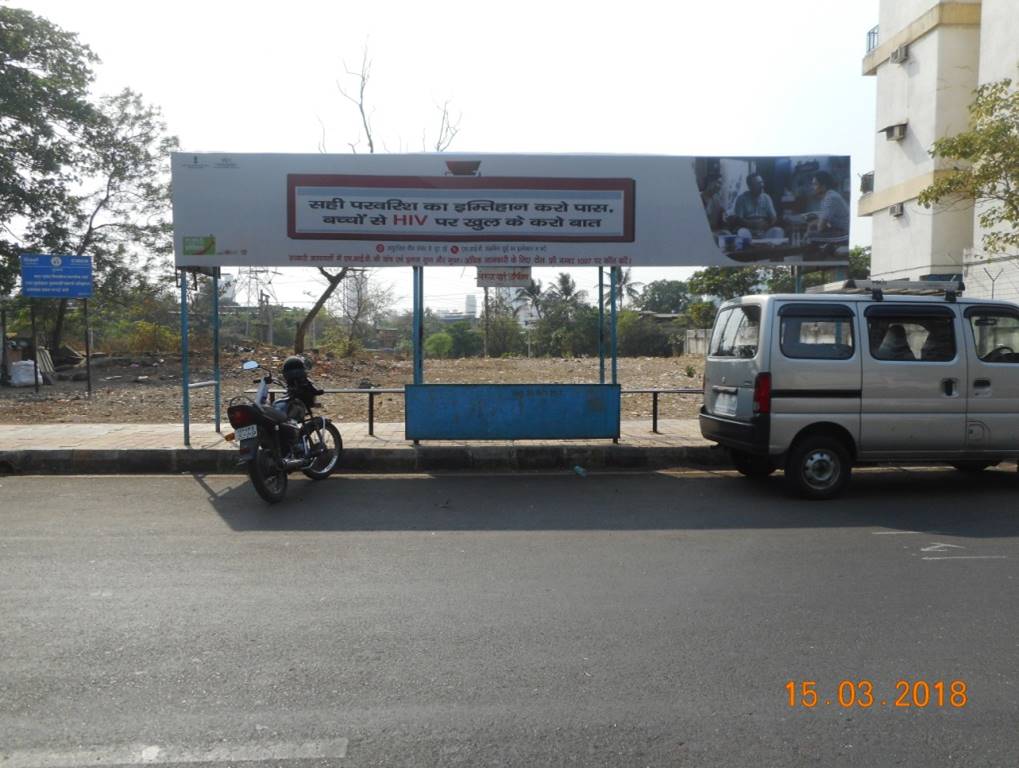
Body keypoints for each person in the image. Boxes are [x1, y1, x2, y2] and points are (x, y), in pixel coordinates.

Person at [729, 174, 784, 240]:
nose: (762, 185)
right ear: (750, 186)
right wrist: (752, 224)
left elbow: (773, 217)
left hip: (763, 231)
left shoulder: (766, 198)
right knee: (741, 232)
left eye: (762, 182)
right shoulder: (741, 199)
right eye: (758, 183)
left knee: (778, 231)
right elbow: (738, 219)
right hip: (748, 230)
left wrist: (766, 225)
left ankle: (769, 248)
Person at [806, 171, 850, 242]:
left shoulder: (831, 198)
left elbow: (821, 227)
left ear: (823, 186)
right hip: (839, 229)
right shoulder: (826, 197)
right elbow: (822, 221)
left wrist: (812, 226)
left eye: (815, 184)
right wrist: (812, 224)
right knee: (812, 230)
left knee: (810, 236)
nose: (812, 187)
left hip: (845, 233)